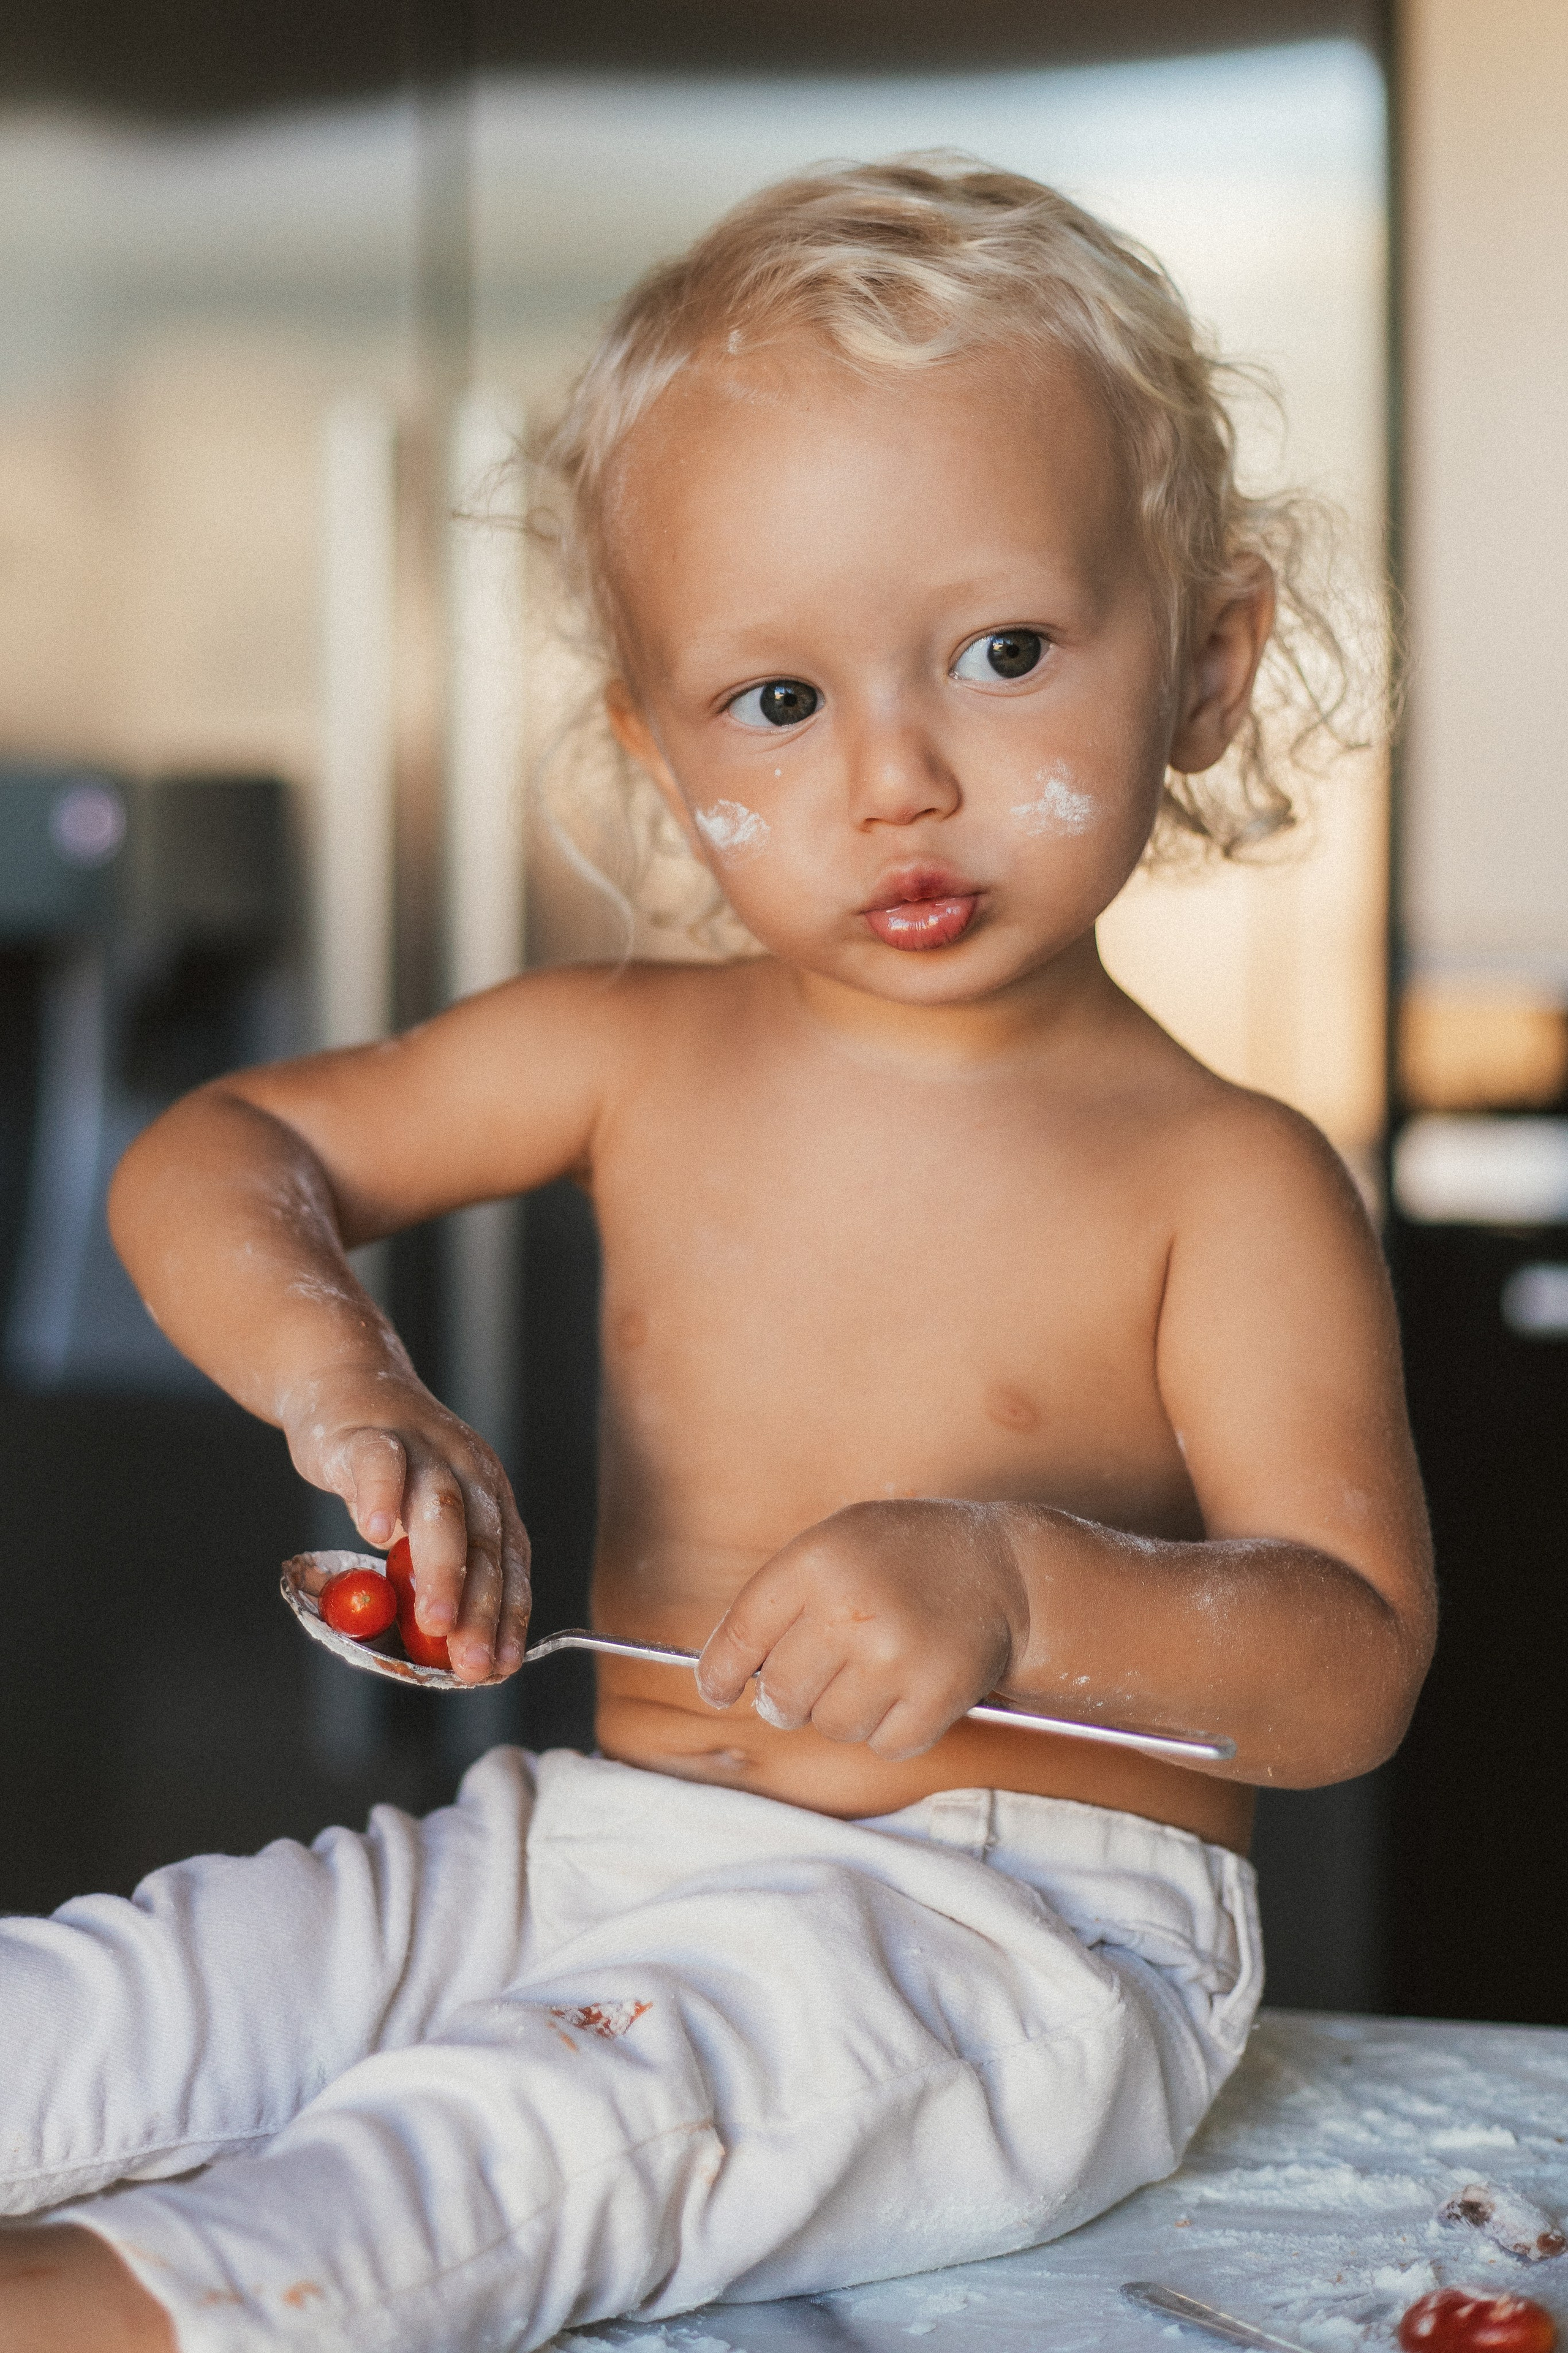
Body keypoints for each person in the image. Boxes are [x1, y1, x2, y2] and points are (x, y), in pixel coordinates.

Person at [0, 158, 1434, 2353]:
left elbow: (1349, 1660)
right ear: (662, 754)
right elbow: (230, 1144)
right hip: (586, 1836)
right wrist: (351, 1383)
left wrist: (1025, 1584)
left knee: (492, 2157)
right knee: (124, 1998)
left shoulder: (1228, 1177)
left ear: (1211, 663)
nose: (898, 777)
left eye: (1007, 652)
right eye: (778, 701)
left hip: (1021, 1939)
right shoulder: (626, 1049)